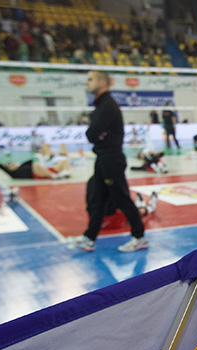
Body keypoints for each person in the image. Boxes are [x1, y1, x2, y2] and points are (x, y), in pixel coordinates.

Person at [67, 70, 148, 253]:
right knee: (99, 199)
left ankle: (139, 236)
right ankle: (89, 238)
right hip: (103, 157)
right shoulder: (101, 105)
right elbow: (94, 134)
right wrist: (96, 135)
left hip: (111, 158)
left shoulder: (107, 106)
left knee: (121, 197)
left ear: (103, 82)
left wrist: (97, 134)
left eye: (90, 79)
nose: (86, 83)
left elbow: (91, 133)